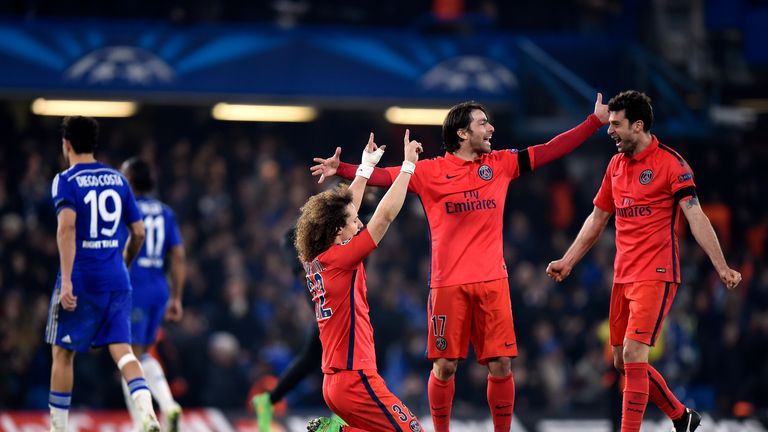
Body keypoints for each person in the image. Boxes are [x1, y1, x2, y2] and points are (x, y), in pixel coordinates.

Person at [311, 94, 610, 431]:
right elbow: (384, 177)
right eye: (483, 123)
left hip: (492, 281)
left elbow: (550, 149)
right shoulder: (430, 172)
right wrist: (344, 169)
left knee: (501, 365)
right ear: (463, 134)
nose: (491, 128)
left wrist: (593, 123)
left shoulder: (500, 163)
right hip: (446, 284)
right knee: (445, 366)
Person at [545, 90, 742, 432]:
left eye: (616, 125)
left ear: (638, 126)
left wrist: (721, 266)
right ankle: (682, 417)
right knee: (622, 362)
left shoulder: (672, 164)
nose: (609, 130)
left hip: (657, 272)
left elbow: (696, 217)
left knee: (635, 357)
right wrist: (569, 259)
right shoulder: (615, 166)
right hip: (623, 275)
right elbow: (597, 218)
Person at [298, 131, 424, 432]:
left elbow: (345, 209)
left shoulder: (317, 257)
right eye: (354, 222)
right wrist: (408, 168)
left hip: (334, 383)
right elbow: (382, 219)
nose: (359, 222)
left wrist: (365, 169)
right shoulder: (342, 259)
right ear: (338, 230)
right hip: (355, 378)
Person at [45, 116, 160, 432]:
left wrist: (67, 280)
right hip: (116, 279)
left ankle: (58, 428)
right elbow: (138, 232)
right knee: (124, 352)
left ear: (66, 144)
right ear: (94, 144)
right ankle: (147, 413)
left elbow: (66, 228)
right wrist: (125, 261)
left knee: (63, 353)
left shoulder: (65, 180)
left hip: (81, 279)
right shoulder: (119, 180)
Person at [120, 157, 186, 432]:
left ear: (131, 180)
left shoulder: (125, 209)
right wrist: (176, 297)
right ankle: (168, 404)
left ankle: (143, 420)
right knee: (142, 355)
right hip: (159, 288)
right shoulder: (165, 211)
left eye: (124, 176)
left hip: (133, 287)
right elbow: (179, 255)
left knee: (125, 357)